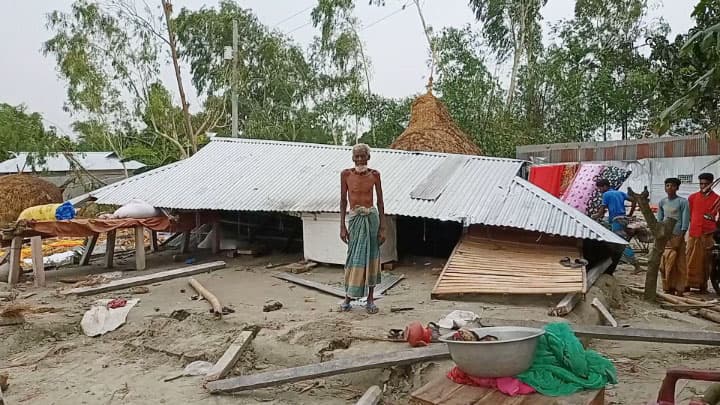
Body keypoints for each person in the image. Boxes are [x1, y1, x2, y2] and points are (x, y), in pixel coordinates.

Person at [339, 143, 386, 314]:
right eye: (357, 156)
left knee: (371, 257)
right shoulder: (346, 174)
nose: (360, 159)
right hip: (354, 219)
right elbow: (343, 201)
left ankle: (370, 299)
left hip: (371, 218)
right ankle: (348, 297)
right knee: (353, 258)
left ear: (368, 157)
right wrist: (342, 227)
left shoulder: (375, 175)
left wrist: (383, 227)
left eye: (363, 156)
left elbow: (380, 201)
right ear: (353, 158)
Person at [686, 173, 719, 293]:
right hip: (694, 233)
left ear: (711, 183)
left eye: (706, 184)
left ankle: (702, 286)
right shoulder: (692, 197)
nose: (703, 186)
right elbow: (689, 215)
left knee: (705, 261)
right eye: (701, 184)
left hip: (708, 234)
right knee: (689, 258)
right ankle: (687, 284)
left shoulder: (717, 199)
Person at [594, 178, 638, 267]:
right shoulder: (619, 193)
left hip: (617, 220)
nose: (600, 191)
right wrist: (630, 213)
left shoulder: (606, 194)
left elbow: (601, 211)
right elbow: (634, 200)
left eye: (600, 188)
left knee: (621, 243)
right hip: (623, 219)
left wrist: (594, 216)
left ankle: (636, 265)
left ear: (605, 186)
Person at [657, 178, 690, 295]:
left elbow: (685, 221)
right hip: (666, 237)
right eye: (667, 185)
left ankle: (680, 288)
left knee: (679, 263)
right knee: (665, 262)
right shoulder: (662, 202)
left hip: (678, 235)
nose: (670, 188)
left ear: (677, 188)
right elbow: (659, 220)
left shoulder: (683, 202)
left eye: (673, 186)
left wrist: (681, 235)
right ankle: (668, 287)